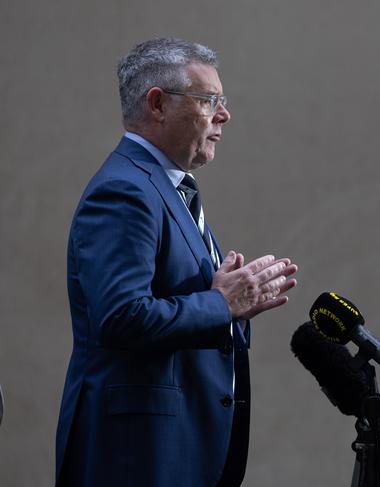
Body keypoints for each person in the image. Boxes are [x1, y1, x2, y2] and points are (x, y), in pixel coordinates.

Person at [55, 38, 298, 487]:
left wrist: (233, 306)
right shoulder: (125, 191)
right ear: (158, 104)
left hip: (180, 446)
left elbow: (190, 310)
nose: (224, 115)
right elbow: (122, 317)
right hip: (138, 456)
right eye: (210, 101)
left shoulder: (170, 187)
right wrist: (221, 304)